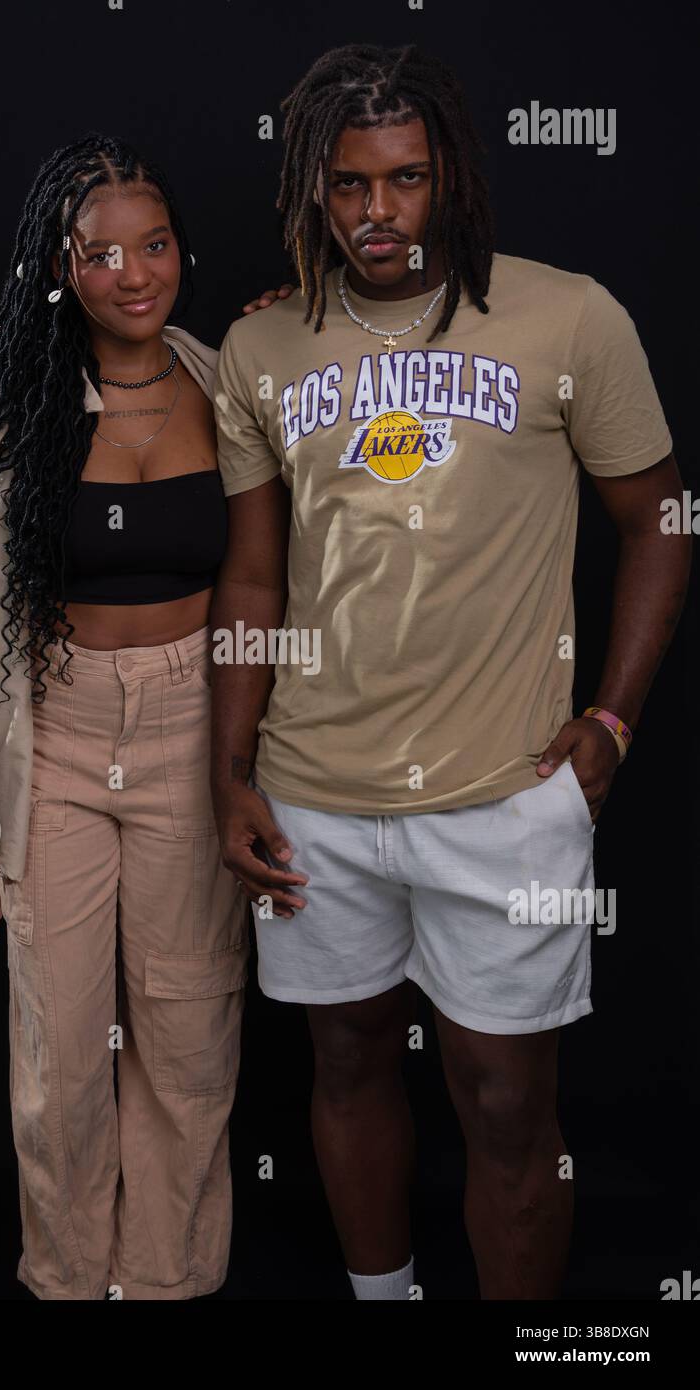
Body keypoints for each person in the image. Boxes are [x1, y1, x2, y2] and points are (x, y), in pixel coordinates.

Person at [209, 44, 691, 1299]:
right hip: (316, 791)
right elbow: (254, 577)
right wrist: (229, 768)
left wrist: (614, 724)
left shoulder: (569, 315)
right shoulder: (263, 346)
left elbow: (661, 520)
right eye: (351, 184)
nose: (379, 212)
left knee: (509, 1103)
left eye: (406, 180)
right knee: (349, 1068)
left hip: (506, 794)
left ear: (451, 179)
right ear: (313, 186)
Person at [0, 133, 288, 1300]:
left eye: (158, 244)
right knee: (62, 1051)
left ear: (184, 249)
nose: (136, 273)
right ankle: (73, 1280)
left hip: (195, 725)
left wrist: (286, 331)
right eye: (102, 254)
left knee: (188, 1034)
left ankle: (168, 1281)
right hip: (59, 734)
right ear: (61, 268)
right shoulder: (11, 409)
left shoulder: (227, 378)